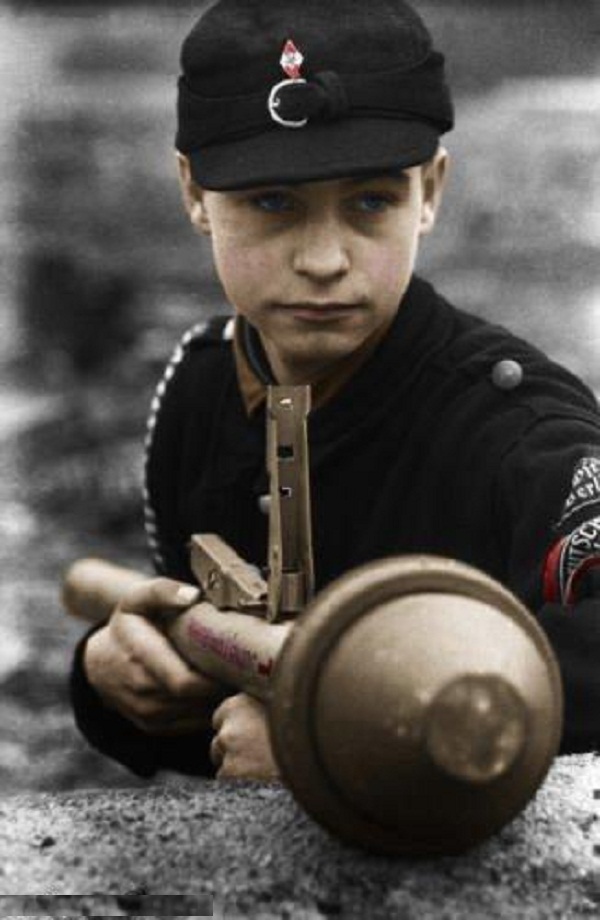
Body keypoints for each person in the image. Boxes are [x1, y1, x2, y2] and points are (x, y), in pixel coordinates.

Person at [70, 0, 600, 782]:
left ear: (429, 192)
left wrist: (348, 740)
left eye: (370, 201)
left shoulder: (515, 431)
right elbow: (228, 721)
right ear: (194, 193)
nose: (324, 260)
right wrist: (117, 682)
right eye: (273, 203)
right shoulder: (201, 388)